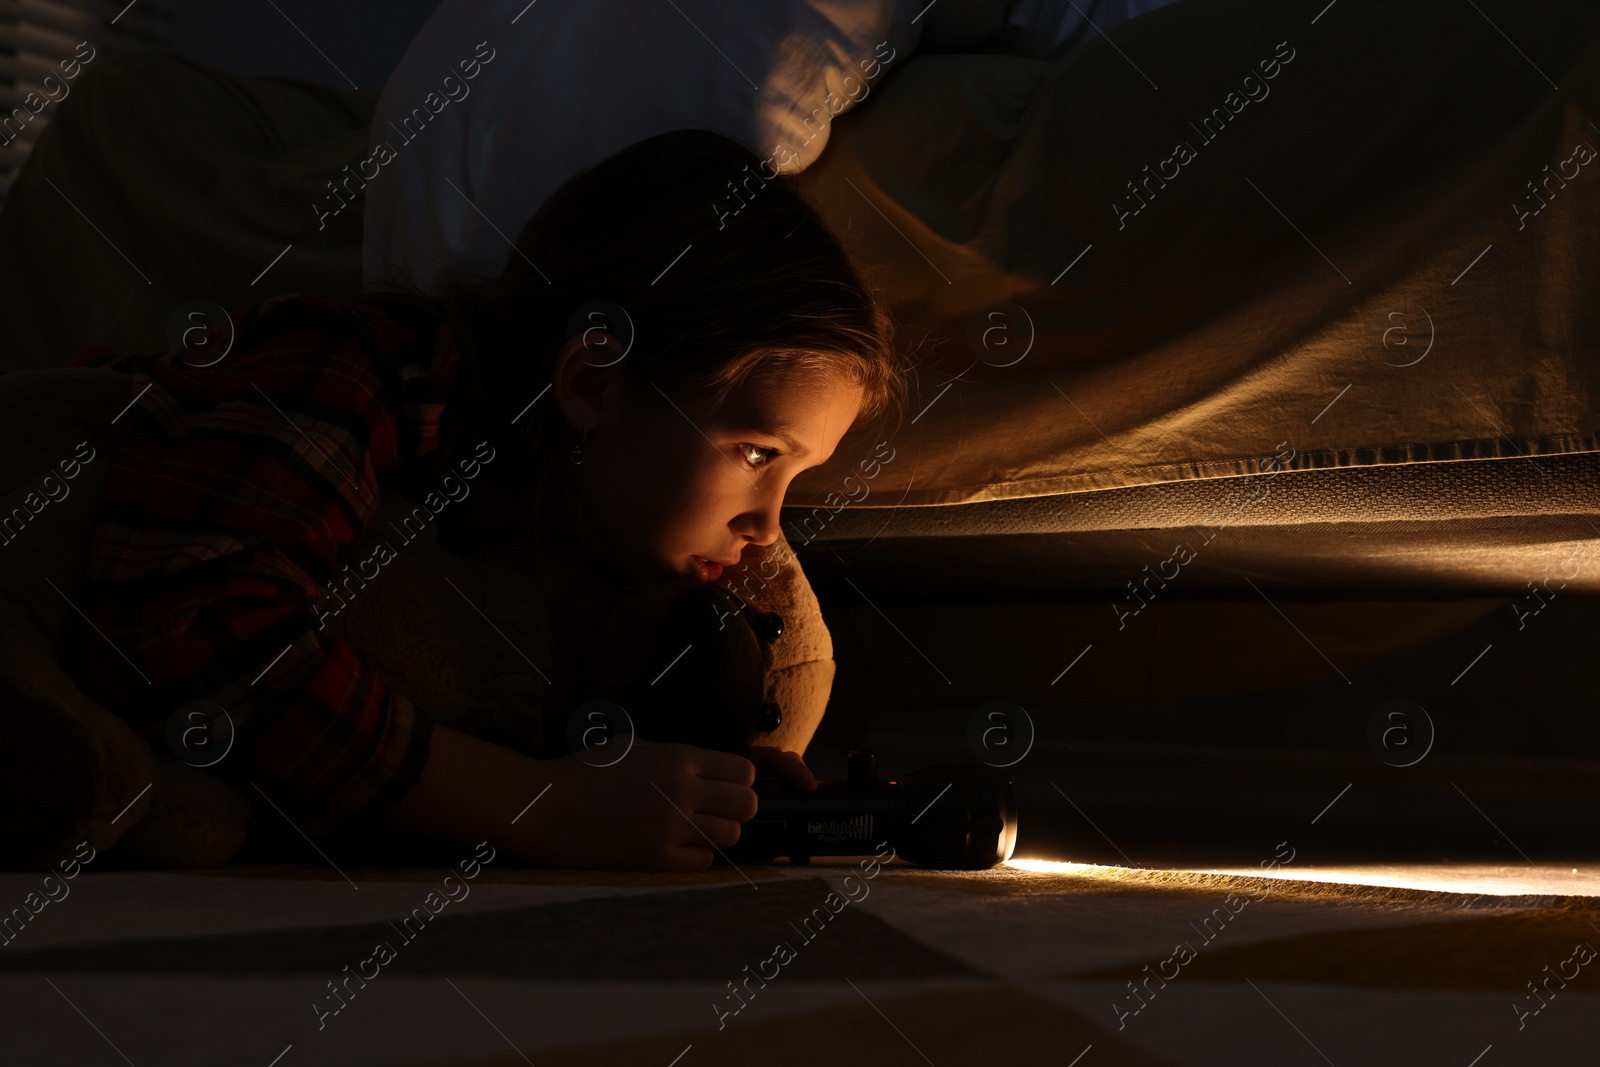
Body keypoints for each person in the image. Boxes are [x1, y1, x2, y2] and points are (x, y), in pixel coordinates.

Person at [65, 129, 911, 870]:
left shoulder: (586, 529)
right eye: (756, 452)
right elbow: (186, 621)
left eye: (794, 479)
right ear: (589, 385)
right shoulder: (353, 373)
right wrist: (541, 805)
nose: (767, 529)